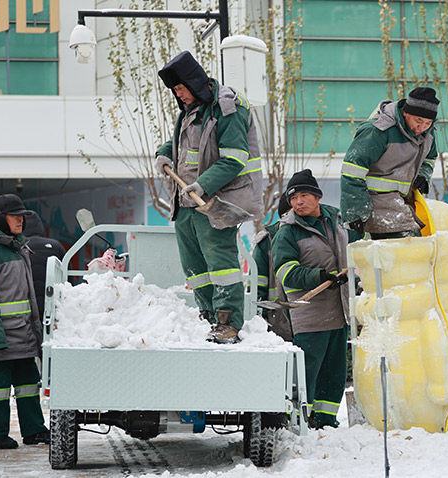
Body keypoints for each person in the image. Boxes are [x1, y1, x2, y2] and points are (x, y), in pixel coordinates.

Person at [154, 51, 264, 344]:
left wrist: (202, 185)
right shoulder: (192, 109)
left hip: (216, 201)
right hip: (188, 203)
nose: (178, 95)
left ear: (195, 83)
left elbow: (235, 158)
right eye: (175, 90)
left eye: (180, 88)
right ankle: (207, 317)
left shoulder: (228, 108)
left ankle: (228, 322)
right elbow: (186, 142)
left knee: (222, 264)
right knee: (196, 269)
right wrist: (166, 152)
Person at [271, 170, 363, 428]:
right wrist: (319, 275)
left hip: (340, 310)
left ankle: (325, 420)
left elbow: (357, 246)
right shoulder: (287, 232)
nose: (298, 202)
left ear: (317, 196)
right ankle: (299, 422)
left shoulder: (338, 220)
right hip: (310, 316)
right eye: (293, 199)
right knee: (307, 374)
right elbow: (286, 273)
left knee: (334, 374)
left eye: (303, 195)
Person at [0, 194, 49, 449]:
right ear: (0, 219)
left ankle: (34, 431)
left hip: (21, 334)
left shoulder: (15, 247)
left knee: (28, 384)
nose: (20, 221)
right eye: (15, 216)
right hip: (1, 337)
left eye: (22, 217)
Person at [340, 86, 440, 239]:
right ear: (406, 112)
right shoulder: (379, 131)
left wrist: (423, 175)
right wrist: (355, 212)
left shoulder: (428, 133)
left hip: (403, 202)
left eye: (428, 123)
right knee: (410, 247)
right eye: (419, 121)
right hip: (374, 202)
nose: (422, 127)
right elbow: (351, 171)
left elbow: (430, 158)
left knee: (413, 249)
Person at [253, 191, 294, 341]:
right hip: (278, 327)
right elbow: (257, 287)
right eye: (289, 214)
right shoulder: (267, 242)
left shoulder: (315, 237)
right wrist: (260, 321)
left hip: (312, 323)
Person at [22, 211, 66, 322]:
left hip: (27, 309)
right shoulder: (56, 246)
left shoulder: (19, 248)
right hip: (52, 305)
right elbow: (67, 278)